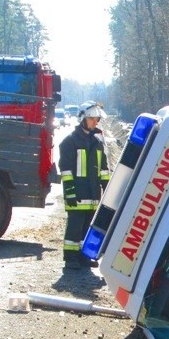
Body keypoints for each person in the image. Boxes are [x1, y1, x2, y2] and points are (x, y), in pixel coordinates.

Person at [58, 100, 110, 270]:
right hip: (77, 195)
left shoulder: (98, 143)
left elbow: (103, 170)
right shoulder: (69, 142)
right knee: (74, 228)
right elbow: (65, 170)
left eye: (97, 119)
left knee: (87, 229)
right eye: (92, 119)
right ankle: (70, 258)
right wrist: (70, 192)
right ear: (83, 118)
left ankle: (83, 257)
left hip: (93, 195)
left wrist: (107, 187)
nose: (96, 122)